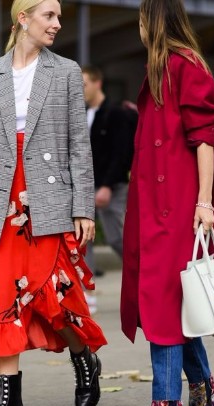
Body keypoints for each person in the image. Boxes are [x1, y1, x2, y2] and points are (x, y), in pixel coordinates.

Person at [0, 0, 107, 406]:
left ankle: (84, 357)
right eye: (49, 16)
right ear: (23, 18)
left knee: (50, 295)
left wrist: (82, 208)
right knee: (4, 297)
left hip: (50, 198)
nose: (58, 24)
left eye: (59, 17)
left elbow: (80, 145)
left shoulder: (65, 73)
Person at [121, 1, 214, 406]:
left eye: (141, 19)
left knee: (164, 308)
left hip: (180, 210)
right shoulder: (159, 71)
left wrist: (204, 203)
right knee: (170, 305)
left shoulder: (184, 67)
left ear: (153, 21)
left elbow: (206, 138)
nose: (138, 27)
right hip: (154, 209)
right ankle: (203, 387)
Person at [81, 65, 136, 313]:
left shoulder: (117, 113)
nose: (80, 90)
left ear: (97, 83)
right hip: (83, 186)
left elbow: (122, 153)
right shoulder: (79, 114)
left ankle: (145, 281)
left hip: (111, 187)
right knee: (83, 241)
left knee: (118, 239)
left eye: (84, 84)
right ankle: (86, 294)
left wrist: (106, 186)